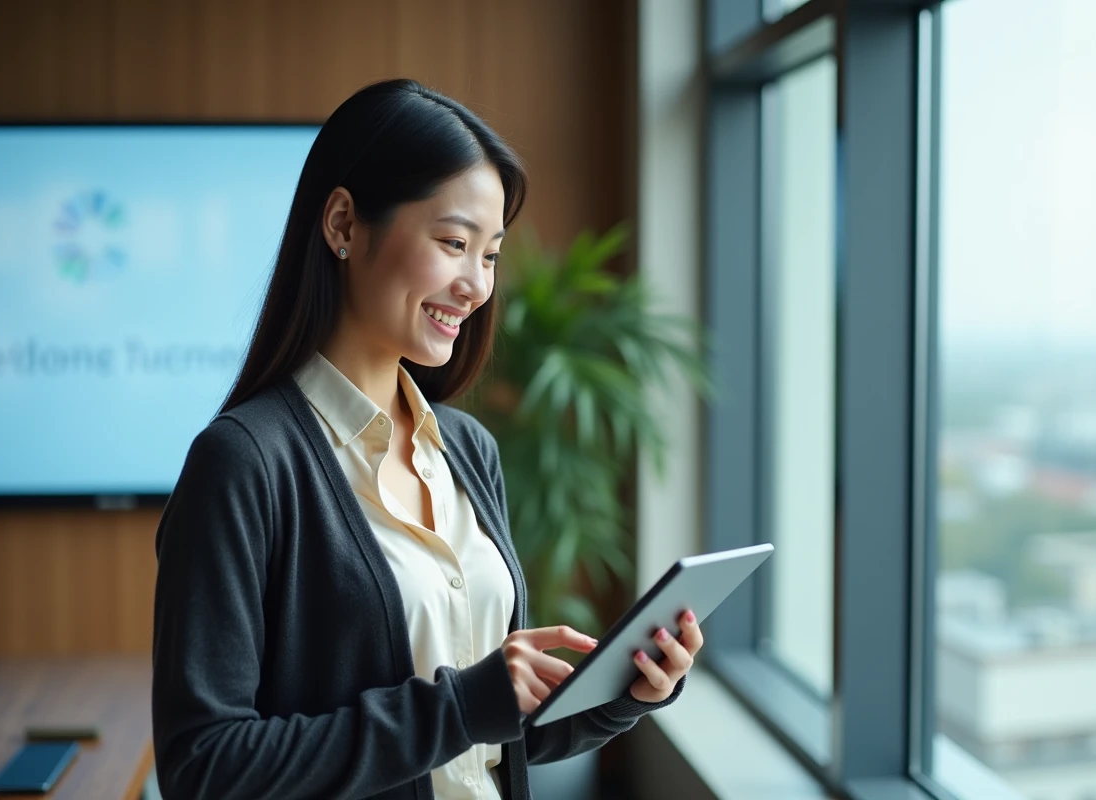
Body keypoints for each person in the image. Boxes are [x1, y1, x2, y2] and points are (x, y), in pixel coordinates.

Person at [151, 78, 701, 800]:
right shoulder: (244, 464)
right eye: (453, 243)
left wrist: (625, 691)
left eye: (492, 255)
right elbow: (205, 767)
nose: (476, 285)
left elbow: (494, 740)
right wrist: (463, 705)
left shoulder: (468, 451)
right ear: (344, 224)